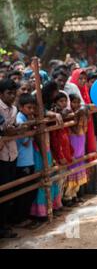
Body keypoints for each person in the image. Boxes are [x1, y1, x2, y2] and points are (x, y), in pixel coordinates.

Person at [14, 94, 37, 226]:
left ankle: (25, 216)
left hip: (28, 159)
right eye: (29, 107)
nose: (32, 111)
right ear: (21, 107)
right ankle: (20, 219)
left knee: (29, 191)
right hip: (22, 161)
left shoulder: (26, 118)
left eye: (33, 108)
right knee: (23, 192)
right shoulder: (20, 119)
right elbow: (25, 142)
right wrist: (30, 128)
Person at [0, 79, 19, 238]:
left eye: (14, 93)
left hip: (11, 153)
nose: (12, 96)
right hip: (1, 156)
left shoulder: (14, 109)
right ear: (1, 94)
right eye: (9, 93)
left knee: (9, 190)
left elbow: (12, 129)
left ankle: (5, 225)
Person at [65, 94, 88, 205]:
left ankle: (75, 194)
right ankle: (68, 196)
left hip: (80, 141)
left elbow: (83, 128)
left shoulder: (82, 113)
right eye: (74, 102)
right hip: (73, 141)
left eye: (78, 102)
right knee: (72, 167)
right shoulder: (69, 114)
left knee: (79, 166)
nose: (76, 105)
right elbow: (74, 128)